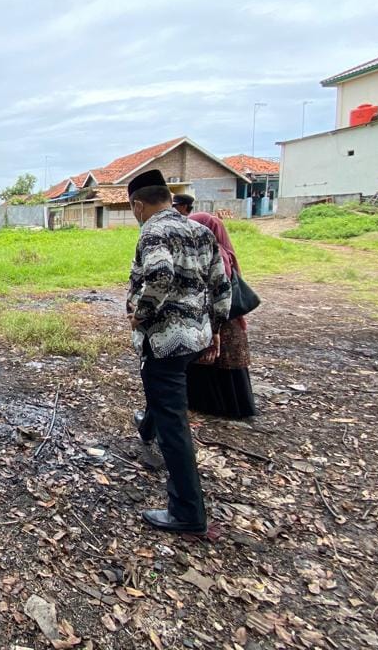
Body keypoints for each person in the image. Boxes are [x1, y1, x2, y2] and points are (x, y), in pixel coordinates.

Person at [126, 169, 230, 535]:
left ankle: (187, 511)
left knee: (173, 418)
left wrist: (142, 313)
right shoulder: (200, 230)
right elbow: (221, 284)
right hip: (197, 335)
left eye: (133, 209)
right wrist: (215, 330)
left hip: (166, 340)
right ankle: (145, 423)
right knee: (163, 394)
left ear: (138, 204)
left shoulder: (153, 231)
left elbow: (159, 275)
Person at [186, 213, 257, 419]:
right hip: (225, 318)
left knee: (213, 362)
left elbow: (217, 290)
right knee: (224, 367)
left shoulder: (214, 254)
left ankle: (215, 406)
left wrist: (213, 326)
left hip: (218, 318)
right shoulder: (224, 252)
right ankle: (228, 406)